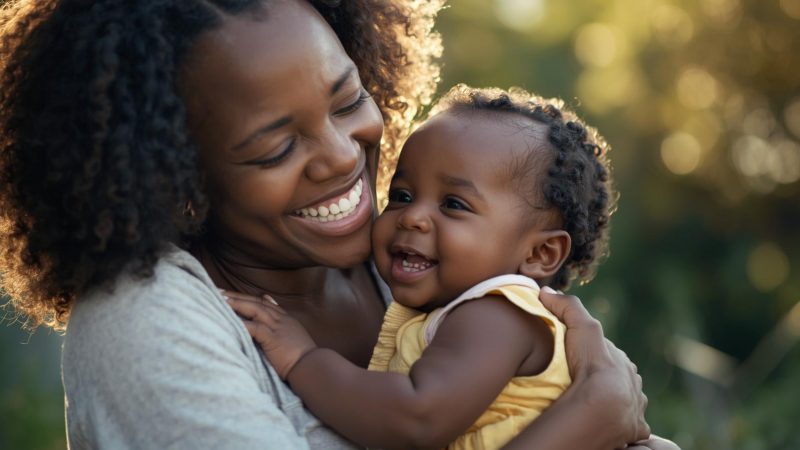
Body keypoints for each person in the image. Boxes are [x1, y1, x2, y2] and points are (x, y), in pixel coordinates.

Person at [0, 0, 674, 449]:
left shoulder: (416, 268)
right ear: (175, 180)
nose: (342, 155)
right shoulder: (144, 320)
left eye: (348, 98)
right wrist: (587, 420)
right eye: (274, 148)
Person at [225, 84, 612, 450]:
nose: (412, 217)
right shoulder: (454, 313)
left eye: (454, 204)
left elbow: (416, 417)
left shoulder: (500, 314)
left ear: (540, 254)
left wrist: (303, 361)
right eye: (402, 195)